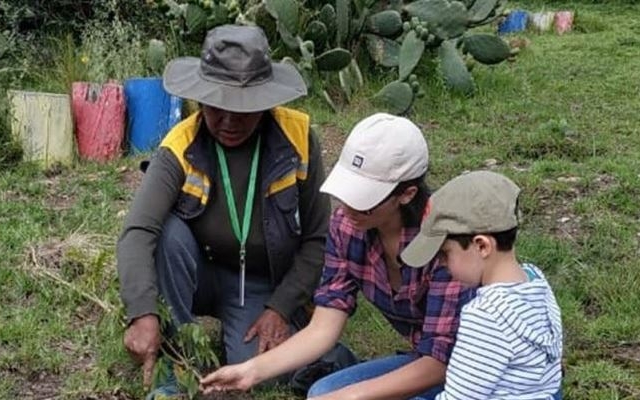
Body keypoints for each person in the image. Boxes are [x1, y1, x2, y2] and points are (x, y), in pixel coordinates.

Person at [116, 25, 343, 398]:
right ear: (200, 99)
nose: (228, 122)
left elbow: (319, 238)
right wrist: (142, 312)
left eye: (243, 111)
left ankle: (304, 344)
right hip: (197, 271)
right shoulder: (179, 145)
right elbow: (138, 232)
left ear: (266, 103)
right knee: (168, 234)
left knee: (268, 374)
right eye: (216, 108)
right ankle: (175, 354)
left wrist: (281, 307)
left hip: (259, 283)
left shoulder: (298, 138)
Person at [199, 113, 472, 399]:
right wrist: (251, 371)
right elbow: (323, 328)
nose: (348, 207)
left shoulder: (444, 243)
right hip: (425, 359)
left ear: (406, 194)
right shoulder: (348, 226)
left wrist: (353, 395)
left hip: (472, 367)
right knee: (323, 391)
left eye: (363, 200)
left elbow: (441, 361)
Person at [401, 170, 563, 400]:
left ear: (482, 246)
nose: (442, 264)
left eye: (445, 254)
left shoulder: (485, 316)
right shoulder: (535, 280)